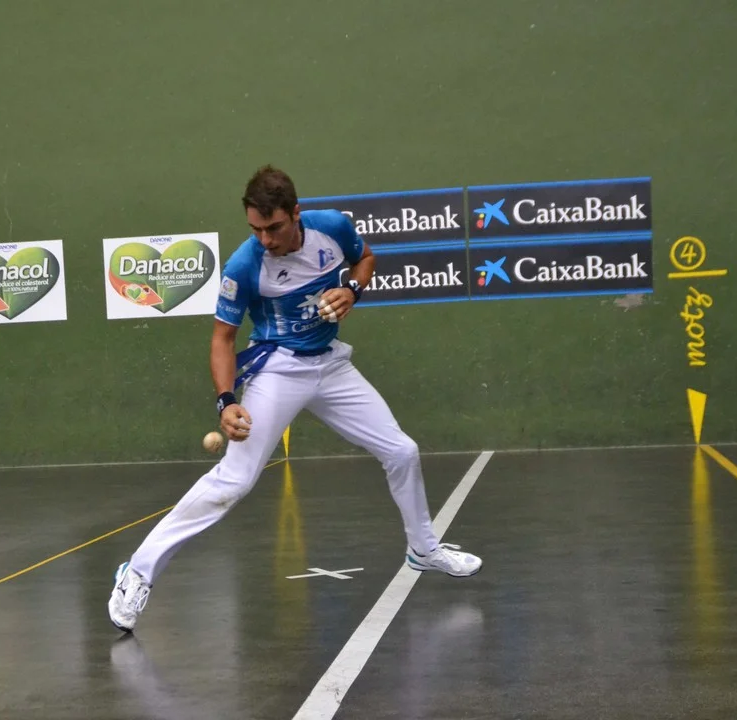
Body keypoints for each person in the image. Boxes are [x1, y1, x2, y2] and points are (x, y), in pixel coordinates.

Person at [108, 165, 482, 632]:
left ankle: (424, 549)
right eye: (256, 229)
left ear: (296, 213)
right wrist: (226, 400)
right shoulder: (245, 265)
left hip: (331, 365)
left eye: (274, 227)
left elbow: (365, 258)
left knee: (402, 451)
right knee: (234, 481)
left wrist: (351, 291)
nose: (265, 239)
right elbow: (223, 338)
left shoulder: (332, 227)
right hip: (278, 370)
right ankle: (137, 573)